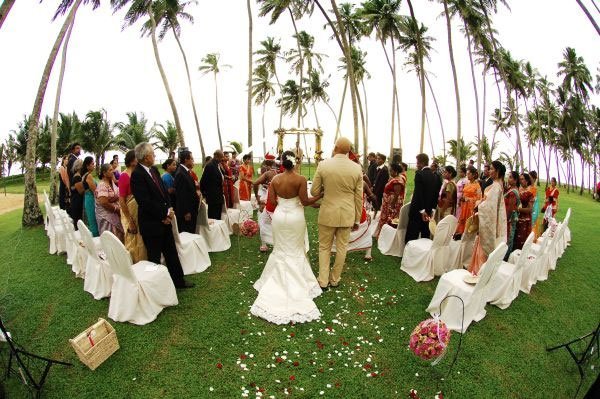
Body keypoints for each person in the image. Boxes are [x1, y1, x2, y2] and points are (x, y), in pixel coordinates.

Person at [250, 151, 322, 324]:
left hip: (280, 217)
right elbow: (305, 202)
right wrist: (320, 196)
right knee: (295, 249)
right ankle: (300, 282)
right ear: (295, 162)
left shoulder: (275, 180)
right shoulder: (301, 179)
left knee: (281, 249)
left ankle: (275, 281)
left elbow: (273, 202)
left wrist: (284, 203)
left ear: (282, 163)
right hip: (296, 218)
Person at [130, 142, 193, 289]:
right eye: (153, 154)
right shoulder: (137, 175)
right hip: (152, 223)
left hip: (165, 219)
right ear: (146, 157)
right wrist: (163, 214)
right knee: (154, 258)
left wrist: (169, 209)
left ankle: (179, 281)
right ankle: (157, 287)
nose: (154, 156)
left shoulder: (154, 170)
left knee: (171, 253)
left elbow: (164, 192)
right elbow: (145, 202)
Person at [311, 137, 363, 290]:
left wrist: (325, 190)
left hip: (327, 212)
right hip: (347, 214)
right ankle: (335, 279)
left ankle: (322, 280)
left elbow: (314, 191)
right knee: (342, 248)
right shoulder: (356, 168)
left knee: (324, 247)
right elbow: (358, 197)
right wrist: (357, 219)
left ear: (336, 147)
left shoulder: (323, 165)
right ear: (348, 150)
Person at [467, 160, 507, 275]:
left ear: (497, 171)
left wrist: (478, 204)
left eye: (491, 169)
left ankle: (478, 272)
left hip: (488, 222)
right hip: (490, 221)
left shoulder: (495, 187)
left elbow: (489, 207)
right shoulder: (498, 185)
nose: (489, 171)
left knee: (483, 249)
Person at [118, 150, 146, 263]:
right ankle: (135, 262)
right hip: (131, 212)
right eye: (136, 158)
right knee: (133, 238)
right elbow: (122, 200)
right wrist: (129, 220)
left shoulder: (138, 173)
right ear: (131, 161)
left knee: (142, 238)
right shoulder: (124, 176)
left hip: (141, 211)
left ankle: (144, 260)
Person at [405, 153, 439, 243]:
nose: (416, 165)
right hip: (428, 211)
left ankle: (409, 253)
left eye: (417, 163)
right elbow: (436, 195)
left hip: (417, 210)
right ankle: (423, 254)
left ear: (421, 163)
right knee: (425, 234)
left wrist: (422, 210)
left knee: (412, 234)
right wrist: (432, 209)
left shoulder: (419, 174)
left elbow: (418, 194)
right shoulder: (435, 176)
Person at [374, 163, 405, 238]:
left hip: (392, 204)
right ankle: (383, 235)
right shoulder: (395, 179)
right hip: (388, 202)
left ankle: (387, 236)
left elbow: (397, 194)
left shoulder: (397, 181)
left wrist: (392, 204)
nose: (390, 173)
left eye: (391, 171)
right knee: (385, 217)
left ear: (396, 172)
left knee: (389, 219)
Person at [95, 164, 124, 241]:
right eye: (110, 170)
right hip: (107, 217)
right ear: (104, 173)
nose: (113, 171)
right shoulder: (102, 185)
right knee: (111, 239)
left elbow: (115, 196)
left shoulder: (111, 183)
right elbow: (103, 202)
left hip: (115, 213)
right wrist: (116, 209)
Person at [175, 150, 200, 234]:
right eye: (192, 159)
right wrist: (186, 212)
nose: (193, 161)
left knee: (192, 230)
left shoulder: (186, 171)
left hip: (192, 208)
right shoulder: (180, 173)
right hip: (187, 211)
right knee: (188, 232)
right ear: (186, 159)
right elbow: (181, 195)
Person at [455, 166, 482, 238]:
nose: (467, 175)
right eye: (467, 173)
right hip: (464, 206)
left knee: (469, 223)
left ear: (473, 175)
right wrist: (462, 199)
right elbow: (464, 193)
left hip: (470, 208)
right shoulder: (467, 183)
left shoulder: (477, 185)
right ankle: (461, 234)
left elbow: (479, 198)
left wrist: (468, 199)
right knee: (462, 221)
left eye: (469, 174)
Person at [200, 150, 225, 220]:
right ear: (216, 156)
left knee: (218, 216)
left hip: (218, 195)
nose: (222, 159)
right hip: (213, 197)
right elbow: (203, 181)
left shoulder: (217, 165)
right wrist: (205, 195)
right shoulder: (210, 166)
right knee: (213, 217)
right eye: (221, 157)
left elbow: (221, 176)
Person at [514, 172, 535, 250]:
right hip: (515, 218)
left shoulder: (530, 193)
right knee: (514, 239)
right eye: (520, 179)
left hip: (524, 220)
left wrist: (518, 209)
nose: (521, 180)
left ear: (527, 181)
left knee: (521, 241)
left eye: (522, 179)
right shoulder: (517, 189)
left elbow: (530, 209)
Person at [504, 171, 521, 257]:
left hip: (509, 219)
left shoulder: (513, 193)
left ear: (515, 180)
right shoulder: (511, 190)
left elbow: (510, 208)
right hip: (510, 218)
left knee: (508, 239)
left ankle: (505, 257)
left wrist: (506, 220)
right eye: (508, 176)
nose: (508, 178)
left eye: (510, 177)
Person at [81, 156, 99, 237]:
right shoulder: (88, 176)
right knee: (93, 221)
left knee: (91, 220)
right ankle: (96, 238)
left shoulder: (84, 175)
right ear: (87, 166)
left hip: (88, 199)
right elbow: (95, 191)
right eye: (92, 164)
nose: (94, 165)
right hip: (91, 200)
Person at [69, 159, 84, 229]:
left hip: (76, 200)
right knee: (78, 220)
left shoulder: (77, 176)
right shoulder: (77, 177)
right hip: (77, 201)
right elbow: (81, 191)